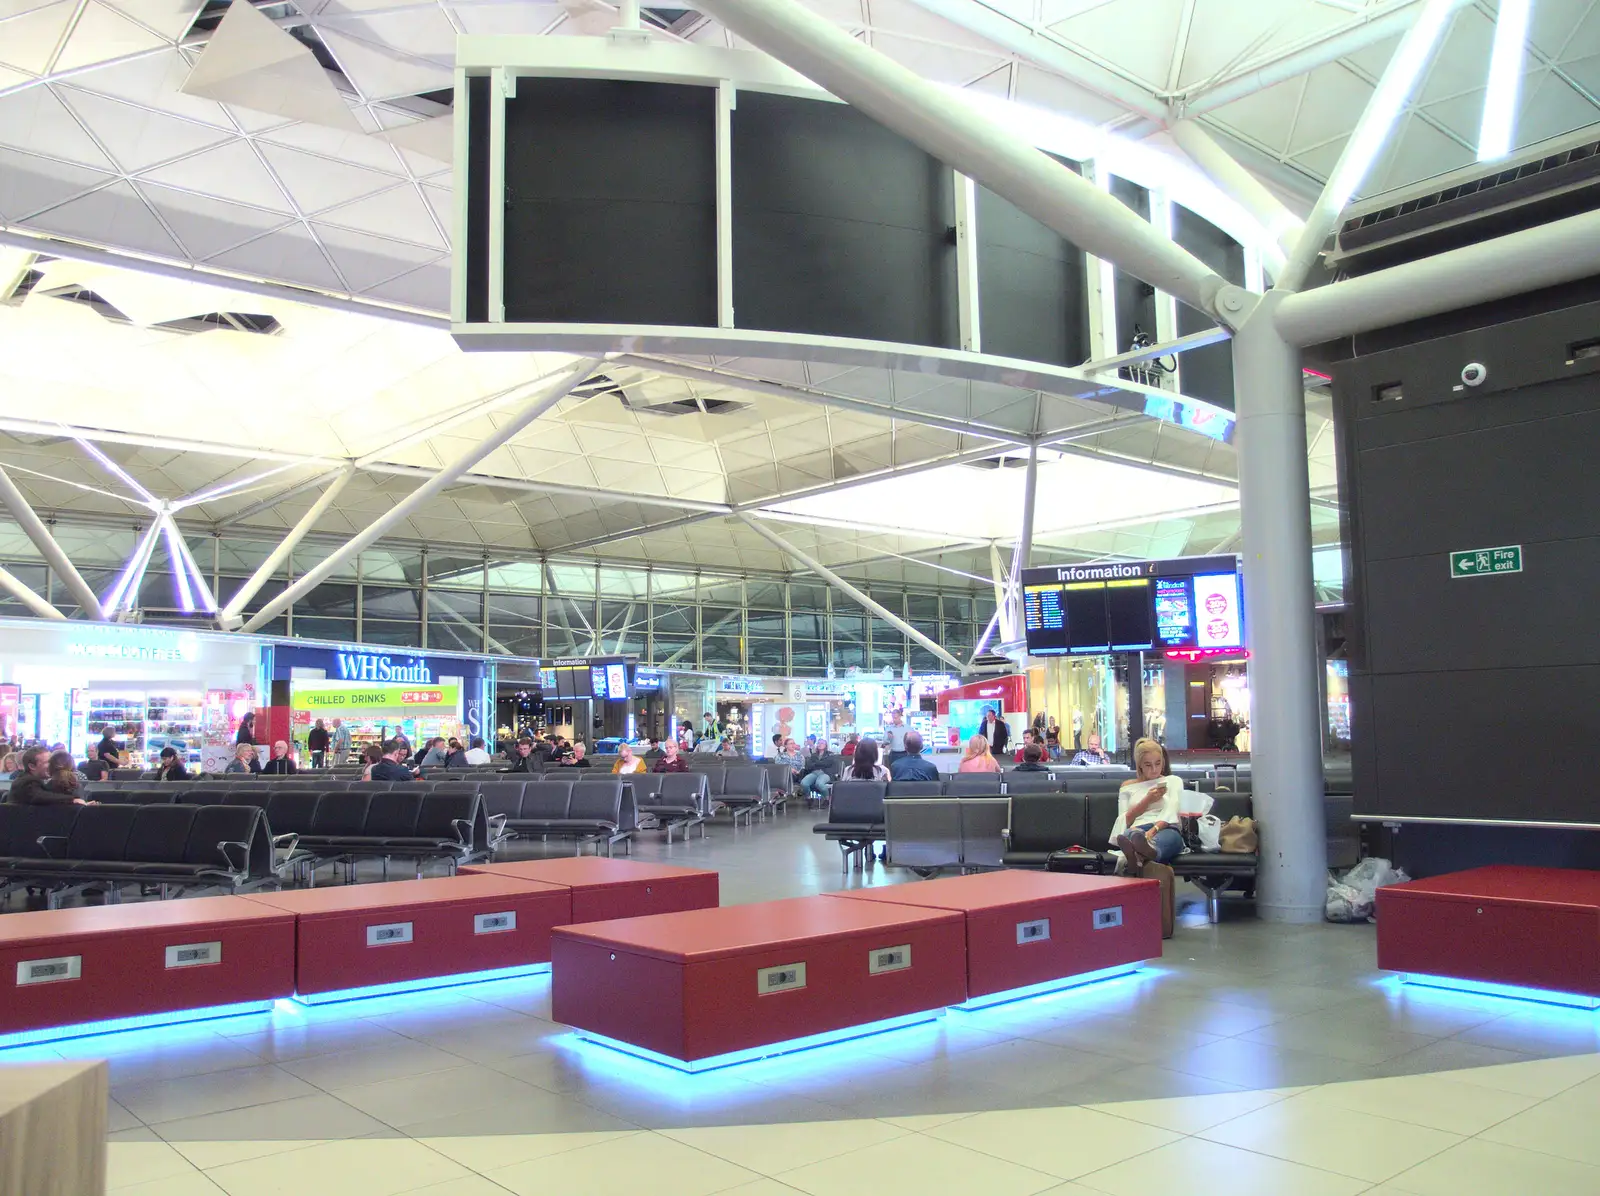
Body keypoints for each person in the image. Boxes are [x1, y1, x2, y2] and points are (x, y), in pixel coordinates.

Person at [1111, 737, 1185, 874]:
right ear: (1140, 766)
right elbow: (1123, 820)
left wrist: (1153, 830)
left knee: (1170, 839)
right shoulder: (1127, 787)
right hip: (1137, 829)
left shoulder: (1174, 781)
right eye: (1148, 765)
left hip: (1166, 828)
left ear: (1163, 762)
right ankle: (1142, 853)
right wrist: (1147, 800)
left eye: (1158, 763)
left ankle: (1138, 856)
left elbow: (1173, 811)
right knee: (1129, 835)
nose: (1154, 769)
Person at [8, 747, 87, 805]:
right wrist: (73, 800)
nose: (53, 765)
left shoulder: (30, 780)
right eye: (48, 762)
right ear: (32, 766)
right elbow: (39, 796)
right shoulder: (26, 782)